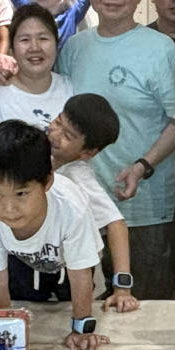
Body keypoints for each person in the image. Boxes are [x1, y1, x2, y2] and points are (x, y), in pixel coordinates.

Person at [56, 0, 175, 300]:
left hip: (142, 209)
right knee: (85, 311)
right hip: (81, 207)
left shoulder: (161, 50)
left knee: (142, 310)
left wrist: (143, 166)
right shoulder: (74, 49)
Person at [0, 121, 108, 350]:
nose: (8, 208)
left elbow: (80, 274)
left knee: (69, 301)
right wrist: (4, 325)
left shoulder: (71, 208)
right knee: (27, 305)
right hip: (24, 259)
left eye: (21, 193)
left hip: (72, 265)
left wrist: (81, 328)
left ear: (47, 182)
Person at [48, 94, 138, 312]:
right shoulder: (38, 153)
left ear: (87, 152)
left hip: (74, 282)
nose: (55, 134)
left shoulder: (78, 177)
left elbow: (115, 223)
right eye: (57, 122)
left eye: (68, 135)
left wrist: (122, 288)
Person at [0, 5, 74, 132]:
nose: (34, 48)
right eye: (25, 40)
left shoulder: (71, 90)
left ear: (57, 45)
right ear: (11, 50)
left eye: (43, 38)